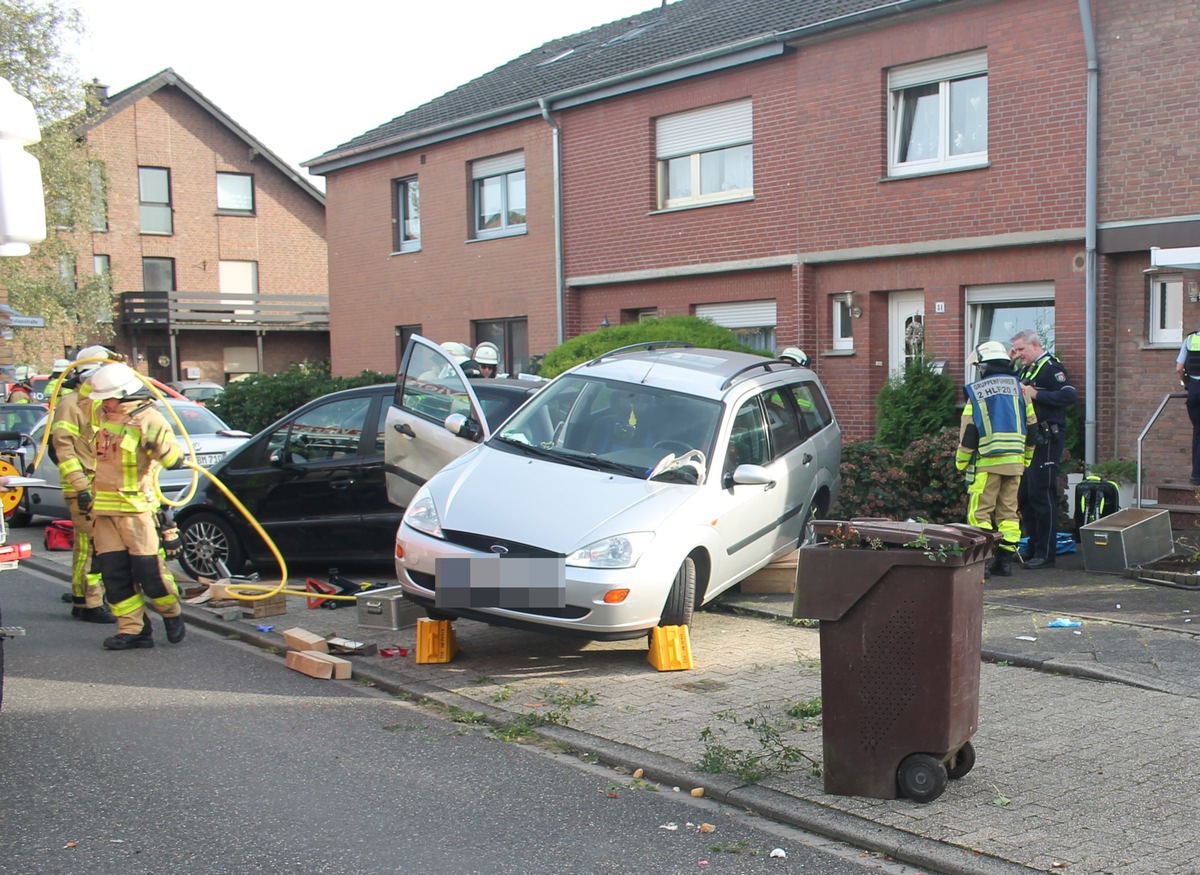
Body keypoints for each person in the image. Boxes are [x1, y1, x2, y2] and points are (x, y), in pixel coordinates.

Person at [86, 361, 188, 650]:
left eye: (108, 398)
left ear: (124, 394)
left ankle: (171, 613)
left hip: (137, 512)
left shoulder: (149, 419)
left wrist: (168, 454)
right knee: (114, 576)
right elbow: (85, 393)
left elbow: (171, 458)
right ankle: (134, 631)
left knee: (150, 574)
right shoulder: (104, 415)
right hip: (105, 513)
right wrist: (105, 361)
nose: (103, 403)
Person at [955, 341, 1037, 577]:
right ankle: (1003, 562)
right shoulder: (1021, 389)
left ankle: (979, 564)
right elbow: (1032, 428)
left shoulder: (978, 391)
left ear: (984, 366)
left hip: (986, 465)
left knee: (979, 513)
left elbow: (969, 431)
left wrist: (961, 461)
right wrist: (1027, 459)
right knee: (1008, 515)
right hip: (1015, 464)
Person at [50, 346, 119, 624]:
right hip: (84, 487)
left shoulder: (98, 404)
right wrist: (80, 486)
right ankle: (89, 603)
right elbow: (63, 449)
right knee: (90, 546)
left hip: (100, 485)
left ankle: (84, 599)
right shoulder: (72, 404)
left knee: (93, 545)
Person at [1011, 329, 1078, 569]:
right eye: (1015, 351)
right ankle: (1032, 546)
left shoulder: (1051, 368)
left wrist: (1037, 394)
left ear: (1035, 345)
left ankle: (1045, 553)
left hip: (1047, 439)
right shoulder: (1027, 368)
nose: (1018, 355)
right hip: (1030, 440)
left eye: (1021, 350)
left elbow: (1069, 395)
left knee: (1042, 494)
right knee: (1026, 496)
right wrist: (1010, 360)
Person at [1175, 330, 1200, 485]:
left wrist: (1187, 383)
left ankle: (1196, 475)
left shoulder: (1190, 339)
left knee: (1198, 432)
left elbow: (1179, 368)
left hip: (1194, 390)